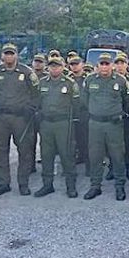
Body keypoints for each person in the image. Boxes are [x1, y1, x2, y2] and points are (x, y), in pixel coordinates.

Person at [0, 44, 39, 197]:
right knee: (0, 150)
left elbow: (36, 93)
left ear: (16, 55)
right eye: (6, 54)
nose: (9, 57)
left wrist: (31, 108)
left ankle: (23, 183)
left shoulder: (27, 72)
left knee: (25, 151)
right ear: (2, 56)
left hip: (20, 118)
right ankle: (4, 183)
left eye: (12, 54)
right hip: (0, 118)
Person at [83, 52, 129, 201]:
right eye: (101, 64)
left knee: (117, 155)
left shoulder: (121, 81)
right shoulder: (90, 79)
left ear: (112, 65)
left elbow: (127, 102)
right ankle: (95, 186)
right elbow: (84, 101)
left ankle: (120, 187)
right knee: (95, 156)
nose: (104, 66)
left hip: (114, 124)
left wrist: (117, 113)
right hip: (95, 124)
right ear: (97, 66)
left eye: (107, 63)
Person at [35, 57, 80, 198]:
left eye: (57, 66)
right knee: (46, 155)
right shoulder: (41, 83)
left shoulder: (70, 83)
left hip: (63, 124)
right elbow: (37, 103)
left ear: (62, 67)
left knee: (67, 154)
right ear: (48, 67)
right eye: (52, 66)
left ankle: (71, 186)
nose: (54, 68)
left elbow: (77, 105)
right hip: (46, 123)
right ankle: (47, 185)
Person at [68, 55, 91, 174]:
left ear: (82, 64)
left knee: (87, 140)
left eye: (77, 63)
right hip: (72, 113)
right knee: (73, 140)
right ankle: (76, 162)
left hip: (85, 113)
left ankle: (89, 166)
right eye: (72, 64)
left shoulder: (88, 78)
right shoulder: (68, 79)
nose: (74, 66)